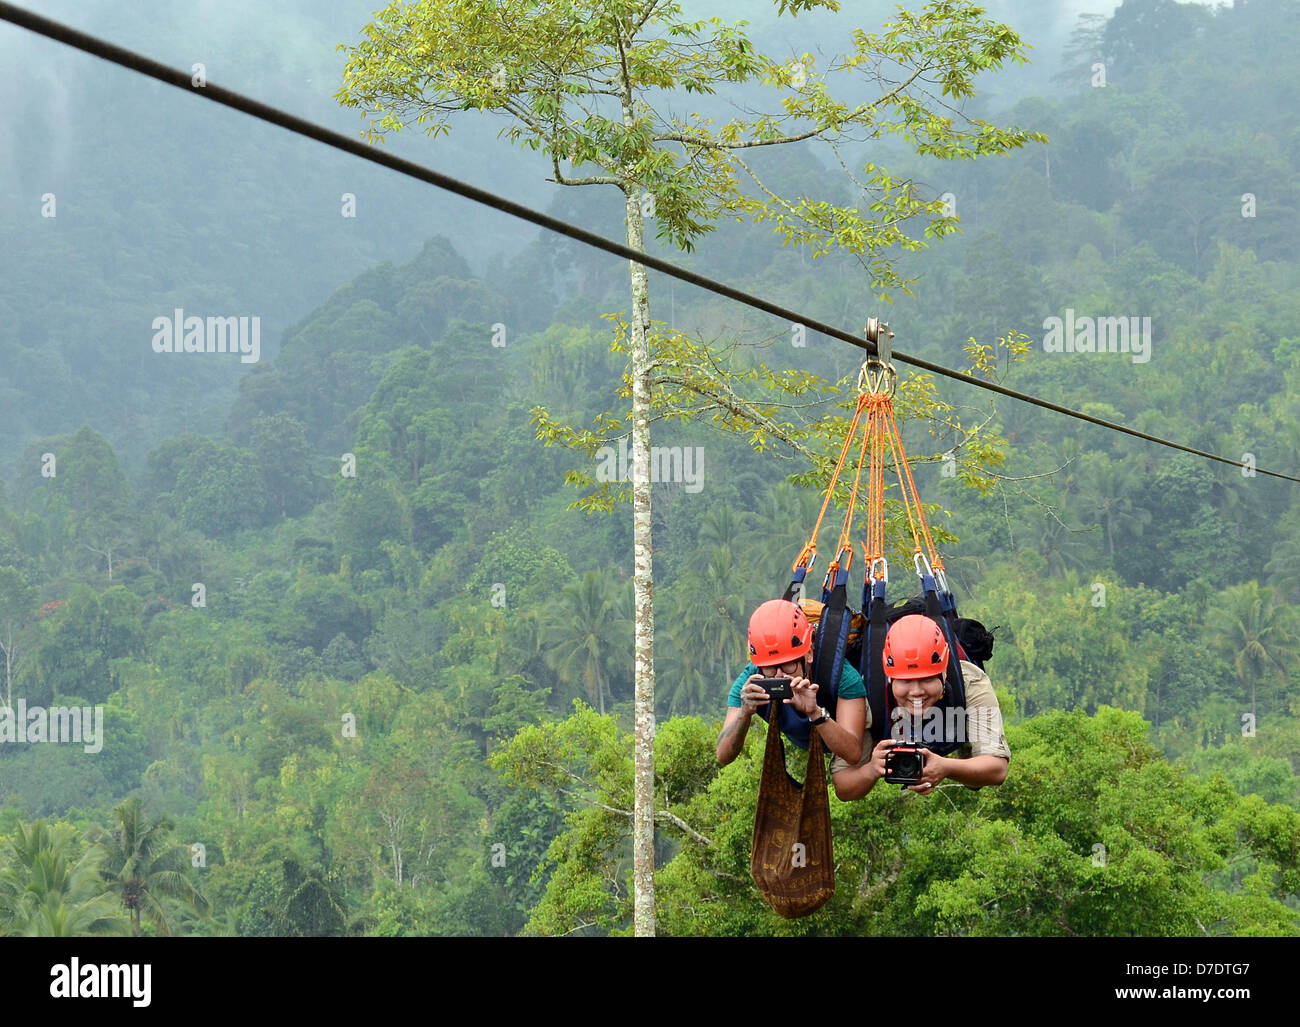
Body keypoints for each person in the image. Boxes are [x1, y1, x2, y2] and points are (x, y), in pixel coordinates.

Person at [830, 613, 1009, 800]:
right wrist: (872, 769)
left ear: (944, 672)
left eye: (927, 679)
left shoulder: (969, 682)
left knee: (974, 780)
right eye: (905, 681)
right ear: (890, 677)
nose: (916, 692)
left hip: (953, 723)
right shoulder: (870, 695)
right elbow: (843, 787)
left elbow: (997, 769)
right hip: (888, 718)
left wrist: (946, 767)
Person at [716, 598, 866, 768]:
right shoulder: (751, 681)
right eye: (770, 668)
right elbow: (723, 755)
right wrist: (744, 713)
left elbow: (853, 754)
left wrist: (815, 713)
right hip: (801, 739)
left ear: (808, 654)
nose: (780, 675)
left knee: (844, 784)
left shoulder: (841, 675)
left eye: (789, 665)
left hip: (837, 725)